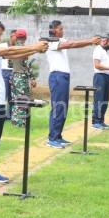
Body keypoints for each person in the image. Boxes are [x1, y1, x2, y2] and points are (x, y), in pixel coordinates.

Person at [0, 17, 48, 191]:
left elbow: (14, 53)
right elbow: (8, 50)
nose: (0, 37)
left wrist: (34, 50)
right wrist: (35, 47)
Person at [45, 20, 101, 149]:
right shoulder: (51, 42)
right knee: (58, 107)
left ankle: (57, 136)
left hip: (63, 76)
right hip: (57, 76)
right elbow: (72, 44)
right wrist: (90, 41)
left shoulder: (60, 40)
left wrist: (89, 43)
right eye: (60, 29)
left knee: (63, 107)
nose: (62, 30)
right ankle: (52, 138)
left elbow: (74, 44)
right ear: (53, 30)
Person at [9, 28, 37, 127]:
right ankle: (21, 123)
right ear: (25, 37)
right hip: (21, 77)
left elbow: (10, 63)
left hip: (13, 76)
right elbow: (27, 65)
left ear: (16, 37)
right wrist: (32, 78)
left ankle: (15, 121)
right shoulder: (25, 49)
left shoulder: (12, 48)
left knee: (15, 99)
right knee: (23, 100)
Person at [0, 30, 16, 119]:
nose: (16, 38)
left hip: (14, 72)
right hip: (5, 71)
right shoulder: (3, 46)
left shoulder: (18, 47)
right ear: (11, 36)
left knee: (11, 96)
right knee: (4, 94)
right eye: (15, 36)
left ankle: (10, 115)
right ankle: (1, 114)